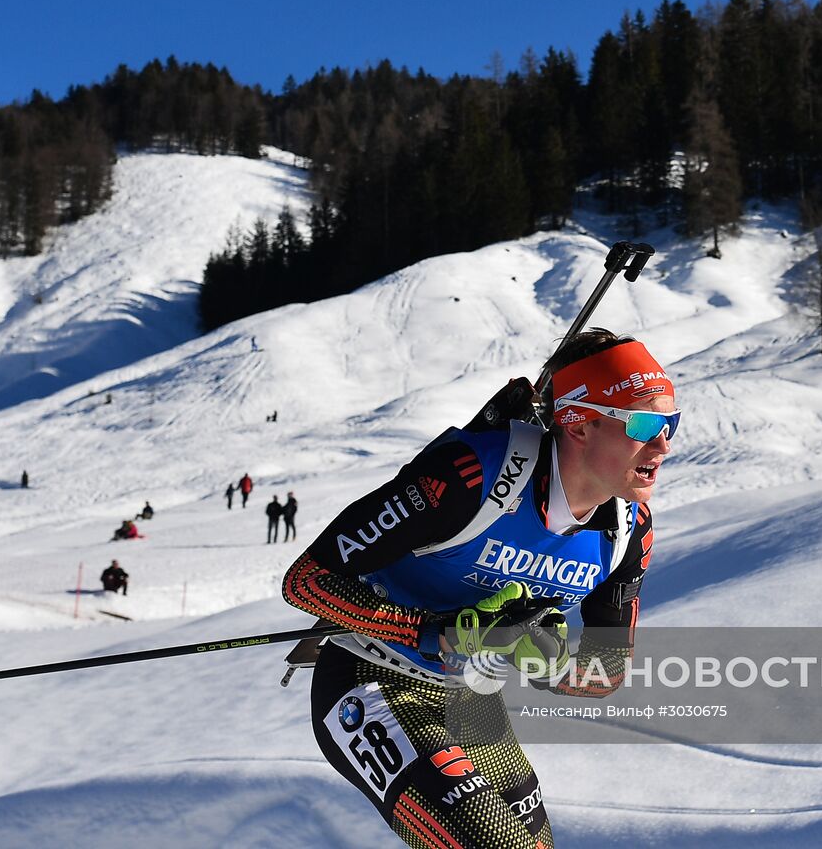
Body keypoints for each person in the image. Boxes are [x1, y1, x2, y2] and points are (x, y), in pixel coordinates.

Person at [281, 330, 671, 849]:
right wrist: (430, 630)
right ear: (578, 424)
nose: (663, 444)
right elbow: (308, 581)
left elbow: (607, 673)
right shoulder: (470, 478)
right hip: (371, 677)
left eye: (670, 423)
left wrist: (544, 660)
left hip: (470, 701)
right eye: (644, 423)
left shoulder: (628, 531)